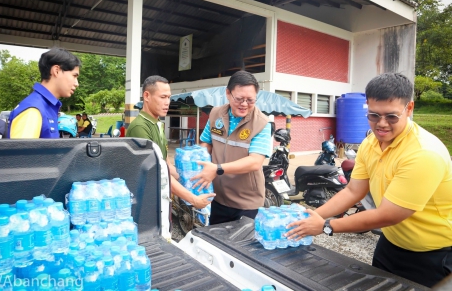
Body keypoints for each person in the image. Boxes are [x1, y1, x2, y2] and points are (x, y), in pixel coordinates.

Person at [285, 73, 452, 288]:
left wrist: (326, 226)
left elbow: (388, 215)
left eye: (391, 116)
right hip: (390, 244)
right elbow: (354, 191)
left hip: (433, 255)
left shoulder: (423, 153)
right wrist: (314, 217)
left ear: (409, 108)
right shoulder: (371, 142)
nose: (381, 124)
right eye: (374, 115)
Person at [191, 71, 272, 225]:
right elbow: (206, 143)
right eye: (239, 99)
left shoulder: (262, 123)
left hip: (247, 203)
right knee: (216, 242)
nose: (244, 104)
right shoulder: (215, 114)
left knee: (242, 246)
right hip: (218, 198)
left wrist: (217, 168)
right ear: (228, 93)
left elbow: (255, 162)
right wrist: (199, 161)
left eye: (250, 100)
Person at [126, 75, 215, 209]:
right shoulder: (140, 128)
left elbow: (166, 163)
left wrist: (190, 179)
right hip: (147, 200)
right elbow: (158, 172)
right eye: (162, 97)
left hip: (161, 196)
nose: (167, 102)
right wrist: (193, 199)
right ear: (146, 96)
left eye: (168, 97)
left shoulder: (158, 124)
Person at [8, 48, 81, 138]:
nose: (77, 83)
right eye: (74, 76)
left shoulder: (45, 106)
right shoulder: (33, 110)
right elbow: (21, 152)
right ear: (56, 70)